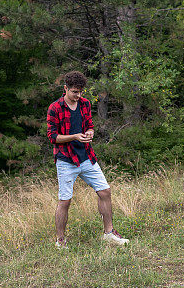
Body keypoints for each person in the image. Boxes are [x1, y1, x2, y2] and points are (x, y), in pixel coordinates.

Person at [46, 71, 128, 247]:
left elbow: (90, 126)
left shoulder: (84, 104)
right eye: (75, 92)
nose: (78, 95)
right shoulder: (55, 107)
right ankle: (60, 240)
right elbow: (53, 137)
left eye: (81, 91)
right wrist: (74, 136)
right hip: (66, 160)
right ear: (65, 88)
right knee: (65, 201)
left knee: (104, 191)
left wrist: (90, 133)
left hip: (86, 157)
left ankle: (108, 234)